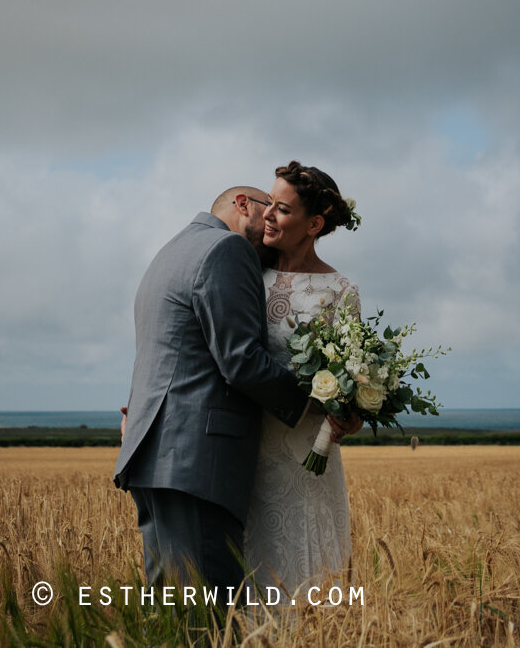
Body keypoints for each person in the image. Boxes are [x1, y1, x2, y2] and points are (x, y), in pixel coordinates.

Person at [115, 183, 353, 602]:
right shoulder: (227, 249)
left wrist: (135, 411)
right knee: (209, 618)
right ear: (244, 205)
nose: (271, 225)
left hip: (155, 455)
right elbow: (241, 359)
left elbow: (169, 350)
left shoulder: (170, 252)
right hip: (197, 462)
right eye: (269, 210)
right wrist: (316, 404)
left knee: (175, 612)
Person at [243, 160, 363, 598]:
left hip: (307, 454)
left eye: (283, 209)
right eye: (269, 204)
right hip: (246, 446)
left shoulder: (341, 291)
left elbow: (350, 378)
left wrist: (353, 416)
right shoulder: (245, 272)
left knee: (310, 574)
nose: (268, 215)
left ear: (314, 224)